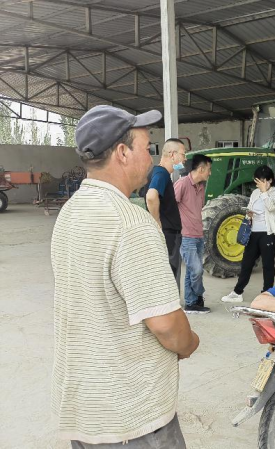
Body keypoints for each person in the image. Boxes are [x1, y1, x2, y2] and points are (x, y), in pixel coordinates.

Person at [51, 105, 199, 448]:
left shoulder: (70, 212)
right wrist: (190, 342)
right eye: (146, 148)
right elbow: (166, 325)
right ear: (122, 153)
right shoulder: (131, 224)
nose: (151, 159)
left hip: (83, 407)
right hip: (131, 417)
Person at [221, 165, 275, 303]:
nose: (259, 184)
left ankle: (267, 294)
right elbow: (250, 207)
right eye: (257, 181)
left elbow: (272, 207)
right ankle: (237, 292)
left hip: (268, 233)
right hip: (253, 232)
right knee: (246, 264)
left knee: (268, 265)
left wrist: (264, 192)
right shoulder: (255, 193)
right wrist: (249, 214)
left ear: (270, 180)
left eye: (262, 181)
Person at [174, 154, 212, 314]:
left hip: (199, 234)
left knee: (192, 270)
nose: (210, 173)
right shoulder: (182, 183)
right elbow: (170, 206)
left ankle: (191, 303)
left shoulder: (201, 187)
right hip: (186, 235)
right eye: (209, 169)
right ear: (201, 169)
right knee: (196, 270)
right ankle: (198, 294)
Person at [144, 138, 186, 279]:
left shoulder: (156, 172)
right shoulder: (161, 174)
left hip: (167, 235)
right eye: (183, 154)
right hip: (168, 236)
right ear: (173, 155)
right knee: (170, 278)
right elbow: (151, 197)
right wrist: (157, 222)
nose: (185, 159)